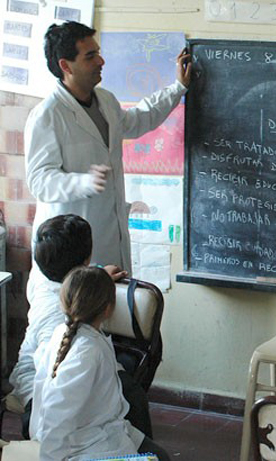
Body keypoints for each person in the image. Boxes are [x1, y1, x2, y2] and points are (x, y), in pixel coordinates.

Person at [25, 21, 191, 276]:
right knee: (79, 312)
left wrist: (178, 87)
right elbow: (40, 181)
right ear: (65, 66)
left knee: (112, 309)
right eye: (90, 56)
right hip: (70, 255)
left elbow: (139, 120)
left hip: (109, 241)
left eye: (98, 53)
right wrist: (83, 182)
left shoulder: (105, 100)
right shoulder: (47, 116)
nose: (101, 62)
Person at [8, 214, 149, 439]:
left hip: (52, 372)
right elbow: (61, 388)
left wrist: (98, 277)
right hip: (43, 389)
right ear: (86, 258)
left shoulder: (45, 279)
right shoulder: (58, 317)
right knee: (132, 396)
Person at [30, 266, 170, 461]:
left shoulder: (67, 334)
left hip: (99, 430)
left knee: (159, 455)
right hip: (84, 445)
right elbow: (57, 411)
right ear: (108, 309)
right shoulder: (86, 351)